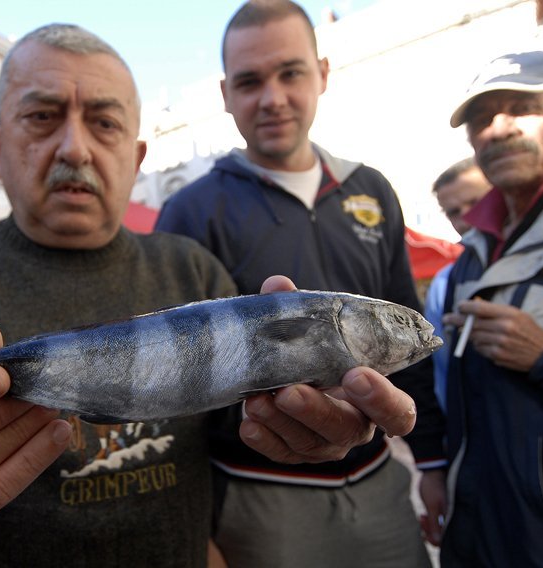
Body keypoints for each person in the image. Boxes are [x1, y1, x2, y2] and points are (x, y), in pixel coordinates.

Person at [0, 24, 420, 567]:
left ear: (137, 155)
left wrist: (313, 424)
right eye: (41, 116)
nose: (75, 148)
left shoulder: (192, 269)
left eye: (105, 123)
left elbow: (242, 420)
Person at [155, 2, 445, 567]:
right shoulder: (190, 210)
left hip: (383, 483)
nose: (272, 97)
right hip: (258, 502)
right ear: (224, 94)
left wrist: (431, 463)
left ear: (323, 73)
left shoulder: (373, 190)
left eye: (290, 72)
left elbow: (413, 331)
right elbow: (171, 374)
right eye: (249, 81)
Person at [431, 50, 543, 565]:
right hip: (481, 529)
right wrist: (437, 474)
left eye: (521, 107)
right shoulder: (472, 251)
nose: (498, 128)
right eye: (481, 118)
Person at [423, 157, 491, 411]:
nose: (467, 219)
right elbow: (443, 373)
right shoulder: (444, 283)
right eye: (454, 212)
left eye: (476, 203)